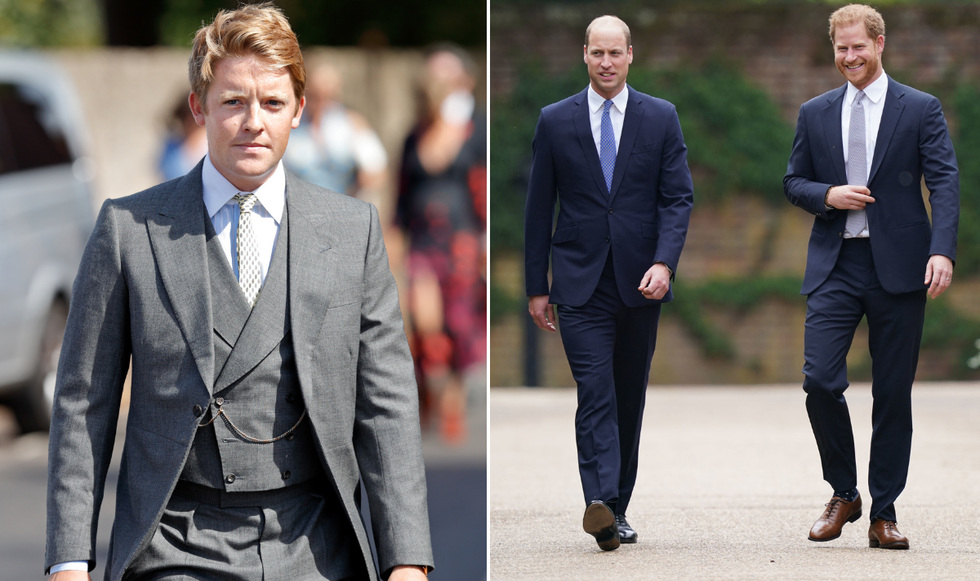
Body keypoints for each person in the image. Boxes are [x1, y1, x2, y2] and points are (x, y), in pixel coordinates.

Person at [44, 4, 432, 580]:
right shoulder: (130, 229)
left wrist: (407, 561)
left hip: (315, 541)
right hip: (175, 542)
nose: (254, 121)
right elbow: (84, 402)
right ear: (199, 105)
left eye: (273, 103)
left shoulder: (354, 232)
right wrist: (69, 561)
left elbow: (387, 403)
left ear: (299, 110)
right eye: (233, 101)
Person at [784, 3, 958, 550]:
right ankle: (844, 491)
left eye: (859, 46)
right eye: (841, 48)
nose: (850, 57)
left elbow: (945, 182)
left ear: (880, 44)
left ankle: (884, 512)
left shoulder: (920, 107)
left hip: (901, 268)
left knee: (892, 394)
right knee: (819, 380)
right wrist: (827, 195)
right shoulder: (814, 112)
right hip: (836, 263)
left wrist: (942, 251)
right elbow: (793, 182)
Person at [524, 15, 694, 551]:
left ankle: (616, 508)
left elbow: (678, 199)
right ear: (584, 55)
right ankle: (598, 502)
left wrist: (665, 264)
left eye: (614, 53)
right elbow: (537, 209)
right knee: (594, 391)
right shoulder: (555, 120)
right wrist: (536, 285)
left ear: (629, 55)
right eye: (597, 53)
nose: (605, 62)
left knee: (628, 397)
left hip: (642, 282)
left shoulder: (661, 117)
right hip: (578, 284)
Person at [397, 44, 486, 444]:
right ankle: (423, 392)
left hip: (460, 243)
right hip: (422, 242)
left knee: (456, 324)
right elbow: (400, 195)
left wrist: (484, 242)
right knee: (423, 322)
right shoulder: (413, 136)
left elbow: (482, 191)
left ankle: (451, 402)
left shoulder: (475, 131)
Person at [282, 63, 389, 202]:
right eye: (315, 96)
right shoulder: (291, 128)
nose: (322, 102)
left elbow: (377, 171)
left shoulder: (353, 124)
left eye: (328, 96)